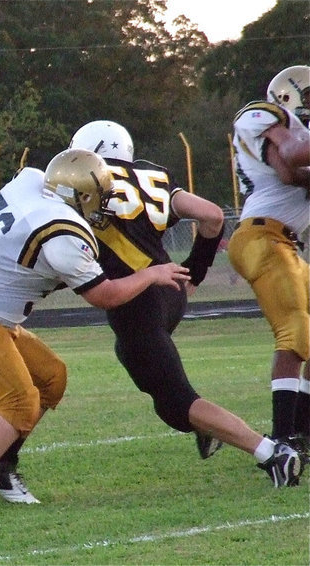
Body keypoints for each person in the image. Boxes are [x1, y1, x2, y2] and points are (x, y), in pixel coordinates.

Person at [0, 148, 192, 517]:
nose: (103, 205)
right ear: (80, 195)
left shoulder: (30, 181)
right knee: (19, 401)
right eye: (99, 196)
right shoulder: (64, 231)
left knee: (51, 377)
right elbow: (104, 295)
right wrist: (150, 274)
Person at [69, 119, 305, 487]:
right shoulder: (152, 176)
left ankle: (272, 453)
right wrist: (193, 273)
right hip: (169, 291)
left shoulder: (83, 181)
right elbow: (211, 216)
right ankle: (210, 428)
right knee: (162, 394)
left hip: (136, 298)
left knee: (176, 399)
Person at [227, 65, 310, 459]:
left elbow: (292, 173)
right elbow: (291, 160)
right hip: (261, 235)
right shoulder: (261, 113)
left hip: (285, 242)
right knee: (294, 328)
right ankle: (283, 439)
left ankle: (303, 432)